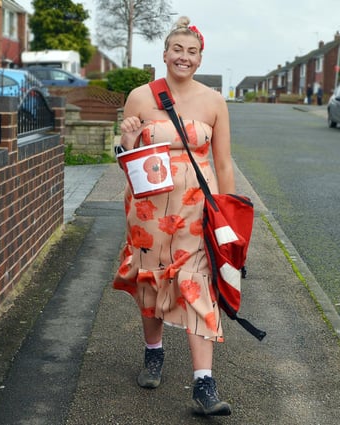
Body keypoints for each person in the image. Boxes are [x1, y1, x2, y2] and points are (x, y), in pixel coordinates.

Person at [112, 16, 234, 416]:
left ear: (200, 59)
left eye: (191, 52)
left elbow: (224, 161)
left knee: (198, 283)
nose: (184, 57)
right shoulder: (140, 97)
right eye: (177, 50)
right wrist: (128, 141)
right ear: (164, 55)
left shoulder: (214, 101)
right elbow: (126, 162)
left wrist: (227, 214)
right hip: (148, 212)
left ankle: (203, 384)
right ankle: (153, 353)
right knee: (151, 281)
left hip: (197, 211)